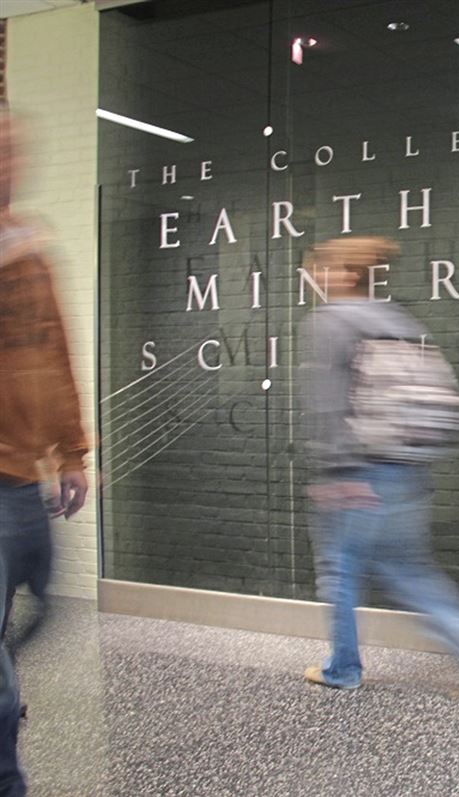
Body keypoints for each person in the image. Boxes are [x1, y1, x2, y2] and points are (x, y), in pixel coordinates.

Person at [300, 236, 459, 691]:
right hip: (407, 467)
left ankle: (343, 669)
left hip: (357, 471)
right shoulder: (397, 319)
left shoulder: (329, 321)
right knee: (407, 567)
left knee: (340, 570)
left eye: (321, 269)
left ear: (347, 274)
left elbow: (327, 404)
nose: (315, 278)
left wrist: (335, 471)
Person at [0, 101, 88, 797]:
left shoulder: (29, 250)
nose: (8, 160)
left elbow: (53, 353)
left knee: (43, 601)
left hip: (22, 477)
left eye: (12, 148)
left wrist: (73, 451)